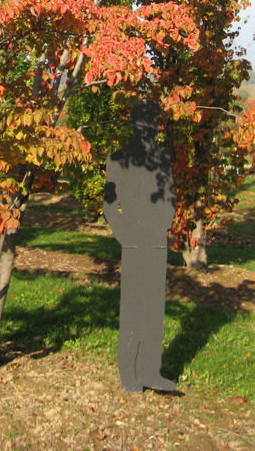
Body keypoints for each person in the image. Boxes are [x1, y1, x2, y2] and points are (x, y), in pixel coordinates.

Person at [102, 98, 176, 392]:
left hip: (157, 240)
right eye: (145, 122)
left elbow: (169, 196)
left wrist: (164, 224)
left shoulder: (162, 158)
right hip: (133, 240)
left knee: (154, 307)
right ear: (134, 124)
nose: (150, 128)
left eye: (154, 123)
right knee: (133, 307)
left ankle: (150, 372)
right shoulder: (118, 159)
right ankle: (129, 375)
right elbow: (109, 204)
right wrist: (125, 234)